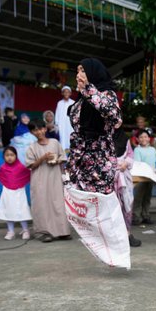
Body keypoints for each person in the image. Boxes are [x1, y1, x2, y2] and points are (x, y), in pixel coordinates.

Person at [66, 58, 121, 195]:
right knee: (79, 209)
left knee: (97, 209)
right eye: (77, 71)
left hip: (99, 161)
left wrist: (89, 90)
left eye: (83, 71)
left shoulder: (107, 94)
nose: (78, 75)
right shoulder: (80, 99)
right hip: (79, 160)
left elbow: (114, 116)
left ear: (93, 73)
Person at [25, 119, 71, 243]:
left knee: (58, 203)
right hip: (39, 180)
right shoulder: (32, 148)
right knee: (42, 205)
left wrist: (56, 161)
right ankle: (43, 232)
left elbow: (63, 158)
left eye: (40, 129)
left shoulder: (55, 143)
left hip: (55, 178)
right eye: (35, 130)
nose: (38, 132)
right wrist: (43, 158)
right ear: (32, 132)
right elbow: (31, 166)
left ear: (45, 129)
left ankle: (62, 231)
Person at [112, 122, 141, 247]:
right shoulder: (103, 139)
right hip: (110, 178)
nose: (116, 123)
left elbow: (130, 155)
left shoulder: (125, 140)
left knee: (127, 205)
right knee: (113, 207)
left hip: (124, 177)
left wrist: (125, 163)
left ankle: (127, 234)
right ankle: (114, 238)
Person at [0, 146, 31, 240]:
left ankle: (25, 230)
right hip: (7, 192)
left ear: (16, 156)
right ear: (4, 157)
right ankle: (10, 231)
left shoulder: (21, 167)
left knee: (22, 211)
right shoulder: (3, 168)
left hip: (19, 192)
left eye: (12, 155)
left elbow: (28, 174)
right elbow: (1, 178)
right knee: (9, 211)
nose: (9, 157)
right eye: (7, 155)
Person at [132, 128, 156, 225]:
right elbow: (138, 164)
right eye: (141, 137)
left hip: (151, 176)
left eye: (145, 137)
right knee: (138, 197)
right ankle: (136, 217)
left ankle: (146, 215)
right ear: (138, 139)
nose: (144, 139)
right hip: (141, 176)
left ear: (149, 138)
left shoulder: (153, 149)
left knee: (147, 197)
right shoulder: (137, 150)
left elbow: (154, 163)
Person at [55, 85, 75, 151]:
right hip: (61, 124)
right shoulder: (59, 103)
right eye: (65, 92)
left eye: (68, 92)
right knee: (62, 136)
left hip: (70, 123)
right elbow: (57, 114)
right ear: (62, 93)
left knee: (70, 135)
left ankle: (70, 150)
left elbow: (75, 114)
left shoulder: (73, 102)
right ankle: (62, 151)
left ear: (70, 93)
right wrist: (56, 124)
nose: (66, 93)